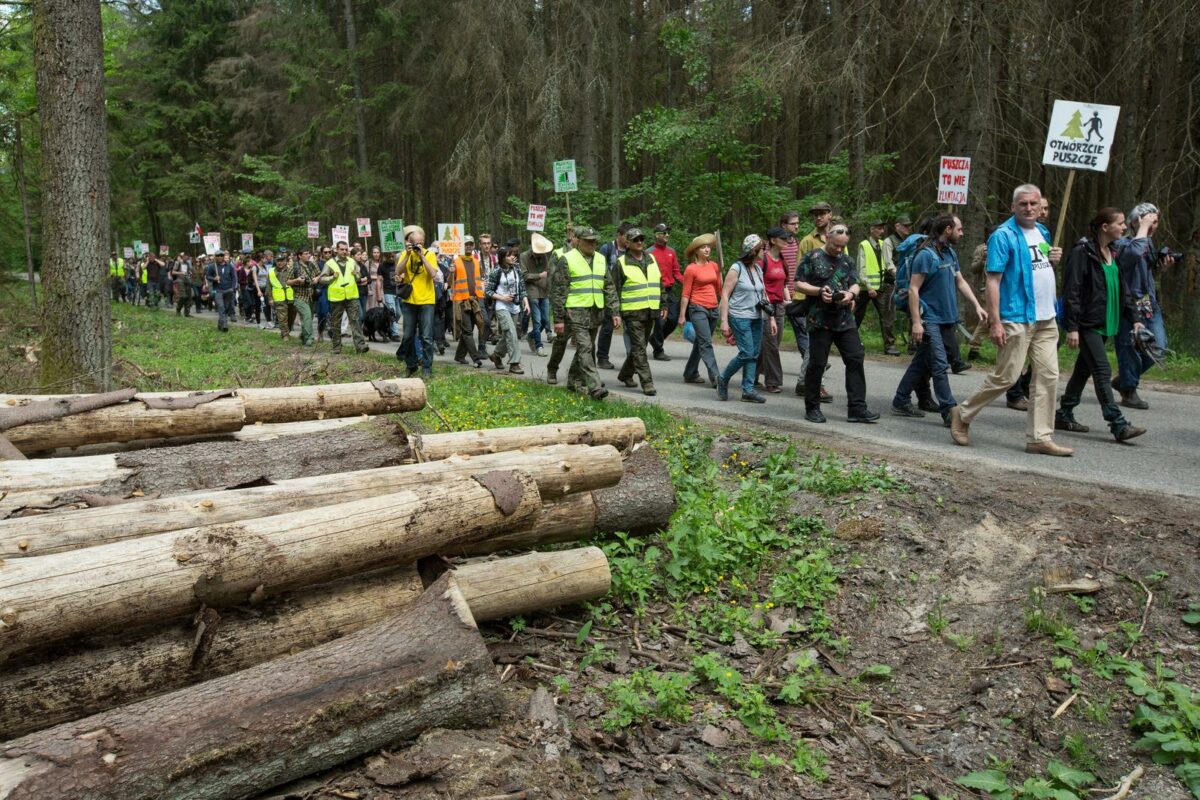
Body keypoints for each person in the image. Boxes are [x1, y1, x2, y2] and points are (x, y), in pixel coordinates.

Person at [950, 184, 1073, 456]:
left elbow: (1040, 268)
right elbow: (993, 280)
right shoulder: (1003, 236)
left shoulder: (1042, 232)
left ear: (1040, 206)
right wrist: (995, 322)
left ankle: (1039, 437)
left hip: (1046, 318)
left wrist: (1054, 258)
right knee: (1007, 376)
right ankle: (962, 413)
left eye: (1034, 204)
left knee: (1048, 377)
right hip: (1016, 317)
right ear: (1013, 207)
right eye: (1023, 204)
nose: (1029, 208)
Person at [1056, 208, 1147, 442]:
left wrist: (1135, 319)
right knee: (1102, 370)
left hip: (1106, 321)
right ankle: (1117, 424)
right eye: (1119, 223)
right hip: (1087, 323)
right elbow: (1072, 291)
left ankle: (1064, 412)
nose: (1124, 227)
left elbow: (1123, 291)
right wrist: (1072, 326)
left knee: (1083, 369)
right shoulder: (1082, 252)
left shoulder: (1113, 252)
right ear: (1105, 227)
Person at [891, 215, 986, 424]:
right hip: (930, 319)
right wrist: (917, 322)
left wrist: (977, 306)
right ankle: (949, 412)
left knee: (921, 362)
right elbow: (913, 289)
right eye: (959, 229)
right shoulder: (925, 255)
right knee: (940, 365)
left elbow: (960, 281)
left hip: (947, 319)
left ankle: (900, 400)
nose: (962, 233)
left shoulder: (949, 253)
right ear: (948, 229)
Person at [795, 222, 878, 423]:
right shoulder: (813, 257)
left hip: (844, 320)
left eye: (843, 246)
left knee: (856, 358)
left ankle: (857, 408)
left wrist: (850, 294)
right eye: (836, 245)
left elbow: (855, 283)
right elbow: (798, 282)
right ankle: (812, 408)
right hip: (819, 320)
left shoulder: (847, 260)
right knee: (817, 364)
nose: (839, 250)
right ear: (827, 238)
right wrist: (818, 291)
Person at [1114, 202, 1174, 409]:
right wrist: (1142, 228)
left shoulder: (1147, 244)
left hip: (1149, 304)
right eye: (1149, 221)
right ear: (1135, 222)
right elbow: (1131, 256)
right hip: (1127, 305)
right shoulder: (1122, 244)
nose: (1153, 225)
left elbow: (1144, 274)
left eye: (1156, 222)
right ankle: (1129, 390)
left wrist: (1160, 268)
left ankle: (1124, 380)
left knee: (1159, 348)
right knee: (1128, 347)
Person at [551, 226, 608, 399]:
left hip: (595, 311)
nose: (592, 244)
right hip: (575, 311)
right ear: (579, 241)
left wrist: (614, 312)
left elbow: (609, 286)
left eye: (594, 241)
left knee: (587, 346)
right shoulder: (566, 259)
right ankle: (594, 386)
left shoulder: (600, 259)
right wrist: (558, 318)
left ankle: (573, 381)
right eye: (588, 241)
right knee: (585, 347)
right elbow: (558, 290)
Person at [717, 234, 775, 403]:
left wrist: (770, 317)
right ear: (753, 250)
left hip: (756, 316)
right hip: (739, 316)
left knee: (754, 354)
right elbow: (725, 294)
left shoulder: (757, 269)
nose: (765, 251)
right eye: (762, 249)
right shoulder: (737, 268)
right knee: (747, 352)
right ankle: (723, 377)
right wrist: (724, 320)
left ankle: (748, 390)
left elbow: (763, 293)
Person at [606, 227, 663, 396]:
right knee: (639, 347)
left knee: (640, 346)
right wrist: (615, 312)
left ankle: (625, 374)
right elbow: (613, 289)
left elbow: (659, 284)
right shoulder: (621, 263)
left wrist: (664, 304)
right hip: (632, 312)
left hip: (650, 310)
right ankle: (647, 382)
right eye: (635, 240)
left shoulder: (651, 259)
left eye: (641, 239)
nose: (639, 242)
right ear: (628, 243)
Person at [679, 233, 722, 387]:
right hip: (697, 308)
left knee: (700, 342)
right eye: (703, 247)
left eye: (708, 246)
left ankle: (690, 373)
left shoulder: (714, 266)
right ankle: (717, 377)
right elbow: (685, 293)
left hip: (714, 308)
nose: (707, 249)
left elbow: (719, 289)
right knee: (706, 343)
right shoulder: (691, 269)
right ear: (696, 251)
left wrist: (725, 306)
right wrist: (682, 315)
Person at [396, 225, 438, 377]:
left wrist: (422, 256)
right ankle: (411, 364)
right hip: (409, 301)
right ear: (409, 242)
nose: (418, 246)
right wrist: (407, 255)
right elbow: (398, 271)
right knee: (407, 336)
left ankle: (427, 367)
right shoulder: (403, 254)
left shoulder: (430, 255)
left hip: (427, 300)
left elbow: (433, 274)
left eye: (420, 243)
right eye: (415, 243)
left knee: (426, 337)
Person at [484, 246, 530, 374]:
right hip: (501, 306)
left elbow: (522, 288)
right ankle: (515, 363)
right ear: (503, 258)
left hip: (515, 306)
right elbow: (487, 291)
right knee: (511, 333)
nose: (513, 257)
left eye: (513, 255)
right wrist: (503, 298)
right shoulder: (496, 271)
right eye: (509, 255)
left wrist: (526, 302)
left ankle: (496, 355)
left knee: (508, 335)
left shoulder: (517, 269)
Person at [856, 220, 898, 354]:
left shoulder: (883, 244)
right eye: (879, 229)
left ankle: (889, 345)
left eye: (883, 229)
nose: (882, 231)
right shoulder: (864, 245)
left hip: (881, 287)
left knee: (886, 316)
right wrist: (868, 286)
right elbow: (861, 268)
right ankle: (849, 341)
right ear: (872, 229)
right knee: (857, 316)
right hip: (865, 288)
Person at [319, 241, 369, 355]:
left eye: (346, 249)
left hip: (351, 296)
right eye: (342, 249)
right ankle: (336, 346)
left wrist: (356, 274)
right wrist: (332, 277)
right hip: (337, 298)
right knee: (336, 323)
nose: (344, 251)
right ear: (336, 250)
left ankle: (360, 346)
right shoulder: (330, 263)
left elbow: (358, 277)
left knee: (355, 321)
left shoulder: (352, 262)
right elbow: (322, 279)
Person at [756, 227, 790, 393]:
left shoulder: (783, 260)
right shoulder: (764, 260)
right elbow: (759, 286)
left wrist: (788, 300)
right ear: (774, 240)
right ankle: (773, 381)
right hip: (766, 307)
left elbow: (783, 284)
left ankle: (752, 377)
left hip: (780, 307)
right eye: (783, 238)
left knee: (772, 343)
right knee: (771, 344)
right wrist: (768, 306)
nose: (786, 241)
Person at [596, 224, 632, 370]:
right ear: (619, 235)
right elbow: (600, 269)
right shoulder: (607, 249)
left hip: (628, 294)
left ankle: (632, 359)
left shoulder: (631, 251)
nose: (629, 239)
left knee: (631, 327)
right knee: (608, 327)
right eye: (626, 236)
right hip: (610, 295)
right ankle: (602, 358)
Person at [647, 223, 684, 361]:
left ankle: (655, 339)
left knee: (673, 319)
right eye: (664, 232)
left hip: (669, 290)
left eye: (668, 232)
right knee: (660, 321)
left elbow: (677, 273)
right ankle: (658, 350)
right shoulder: (649, 253)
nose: (667, 235)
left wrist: (688, 283)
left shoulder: (671, 252)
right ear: (657, 235)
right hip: (655, 291)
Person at [545, 228, 576, 385]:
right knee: (561, 341)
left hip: (584, 306)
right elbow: (552, 283)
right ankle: (552, 368)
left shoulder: (588, 255)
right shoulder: (558, 254)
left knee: (587, 345)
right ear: (571, 236)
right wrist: (559, 309)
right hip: (566, 306)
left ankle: (583, 376)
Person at [451, 241, 486, 368]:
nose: (469, 246)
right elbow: (450, 282)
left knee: (470, 329)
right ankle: (476, 359)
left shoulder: (476, 261)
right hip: (461, 300)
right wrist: (451, 272)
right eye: (466, 244)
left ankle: (460, 356)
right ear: (461, 246)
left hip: (474, 300)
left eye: (471, 244)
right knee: (467, 331)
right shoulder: (455, 261)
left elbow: (479, 279)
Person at [520, 233, 554, 356]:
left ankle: (531, 335)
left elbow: (548, 273)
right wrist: (539, 276)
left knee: (545, 321)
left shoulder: (544, 257)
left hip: (544, 291)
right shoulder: (524, 257)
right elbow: (524, 276)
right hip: (532, 291)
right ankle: (539, 345)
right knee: (537, 321)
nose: (540, 254)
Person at [286, 247, 321, 346]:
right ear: (299, 256)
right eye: (305, 253)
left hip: (310, 295)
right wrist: (296, 280)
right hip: (299, 296)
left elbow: (320, 274)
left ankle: (303, 335)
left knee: (308, 318)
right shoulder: (294, 266)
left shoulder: (312, 264)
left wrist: (316, 279)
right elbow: (287, 281)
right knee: (307, 316)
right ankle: (309, 339)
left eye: (308, 253)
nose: (308, 255)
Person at [205, 251, 238, 332]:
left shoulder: (229, 266)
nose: (220, 257)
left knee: (226, 308)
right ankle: (224, 325)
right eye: (218, 255)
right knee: (221, 307)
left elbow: (234, 277)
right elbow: (207, 276)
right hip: (217, 291)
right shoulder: (212, 266)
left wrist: (233, 288)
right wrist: (214, 278)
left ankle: (220, 323)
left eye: (221, 255)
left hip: (228, 290)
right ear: (215, 257)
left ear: (223, 256)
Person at [268, 254, 296, 339]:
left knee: (291, 317)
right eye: (278, 260)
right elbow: (268, 286)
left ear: (285, 261)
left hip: (291, 297)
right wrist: (270, 298)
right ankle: (285, 334)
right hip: (279, 298)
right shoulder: (271, 271)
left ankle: (288, 331)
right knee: (282, 318)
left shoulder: (291, 270)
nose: (280, 262)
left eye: (282, 260)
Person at [379, 249, 402, 342]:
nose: (392, 259)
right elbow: (379, 280)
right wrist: (379, 293)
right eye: (389, 257)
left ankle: (389, 328)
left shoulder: (398, 265)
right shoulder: (382, 266)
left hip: (398, 292)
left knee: (399, 314)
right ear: (386, 257)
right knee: (393, 313)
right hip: (388, 292)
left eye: (393, 257)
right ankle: (394, 333)